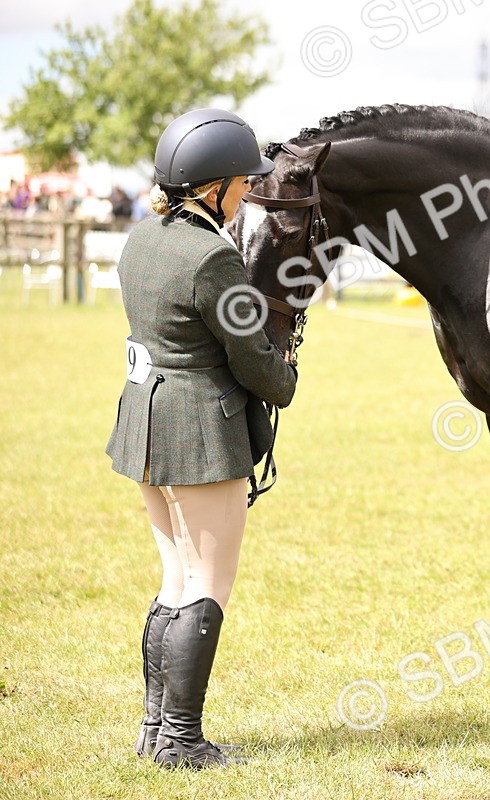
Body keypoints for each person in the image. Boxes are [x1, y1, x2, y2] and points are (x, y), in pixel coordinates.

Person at [105, 107, 295, 770]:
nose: (247, 193)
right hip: (199, 433)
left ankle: (157, 730)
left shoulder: (144, 237)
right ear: (212, 187)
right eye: (242, 183)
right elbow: (255, 364)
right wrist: (286, 363)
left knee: (174, 579)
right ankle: (181, 740)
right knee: (207, 583)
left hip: (147, 423)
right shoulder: (213, 255)